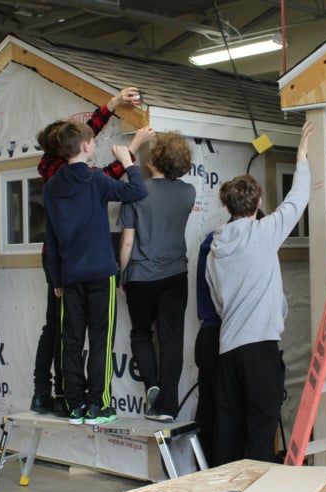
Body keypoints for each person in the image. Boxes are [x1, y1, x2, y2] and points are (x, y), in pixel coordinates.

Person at [31, 87, 155, 415]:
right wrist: (130, 158)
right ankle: (98, 405)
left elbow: (53, 237)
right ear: (85, 147)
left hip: (68, 275)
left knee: (70, 341)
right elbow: (133, 189)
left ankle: (73, 404)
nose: (95, 143)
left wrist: (56, 276)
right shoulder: (94, 179)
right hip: (101, 273)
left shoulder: (52, 183)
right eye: (92, 142)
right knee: (100, 340)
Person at [205, 121, 314, 465]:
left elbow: (219, 300)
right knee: (262, 432)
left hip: (228, 352)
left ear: (227, 207)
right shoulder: (265, 232)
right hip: (261, 349)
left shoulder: (214, 248)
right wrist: (301, 157)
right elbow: (298, 199)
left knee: (230, 433)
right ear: (259, 202)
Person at [118, 131, 195, 422]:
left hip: (141, 275)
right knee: (172, 341)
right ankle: (167, 407)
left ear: (154, 160)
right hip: (176, 274)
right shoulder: (189, 193)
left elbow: (127, 241)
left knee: (140, 333)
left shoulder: (137, 192)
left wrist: (123, 274)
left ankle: (151, 383)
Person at [193, 230, 220, 461]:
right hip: (223, 334)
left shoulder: (210, 241)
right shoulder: (222, 246)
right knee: (224, 410)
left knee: (207, 408)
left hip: (207, 334)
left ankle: (205, 466)